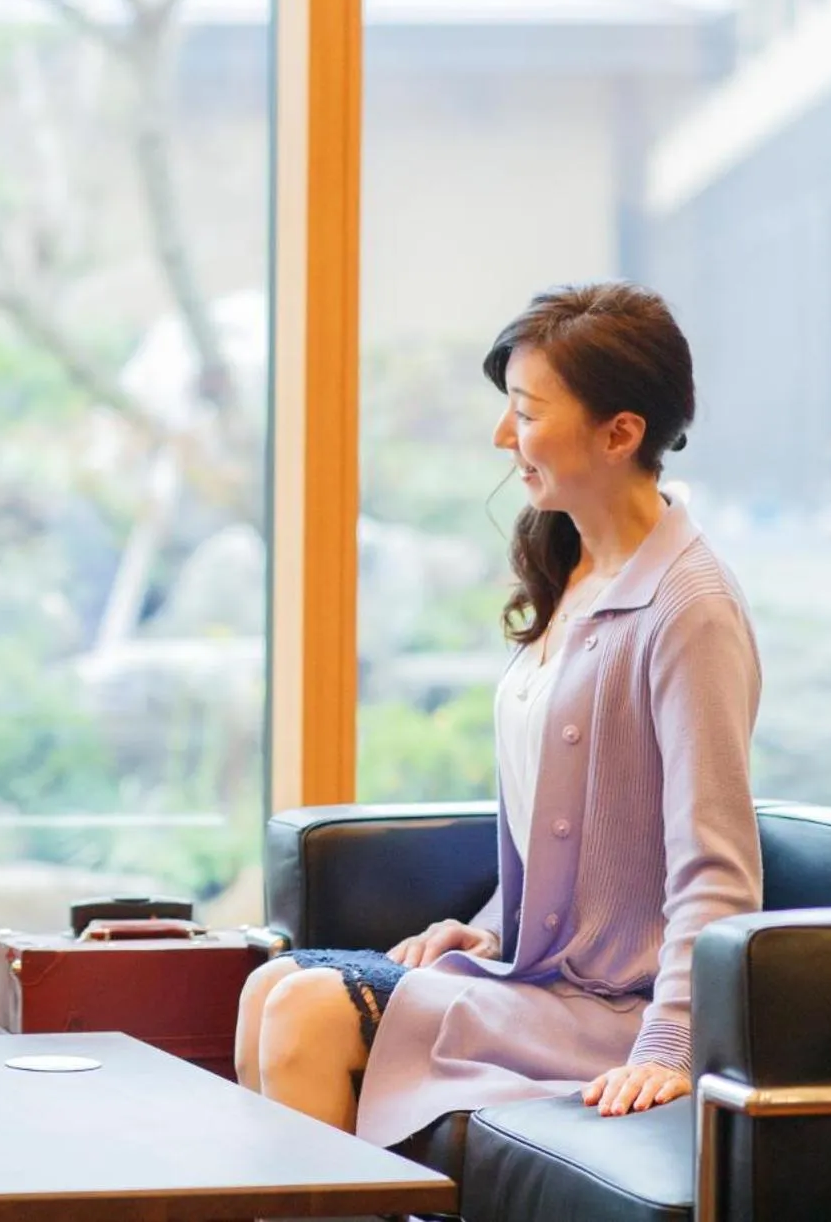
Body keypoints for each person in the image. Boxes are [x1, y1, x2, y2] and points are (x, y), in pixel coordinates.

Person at [234, 280, 762, 1145]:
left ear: (619, 432)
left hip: (616, 1009)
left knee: (307, 1013)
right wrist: (483, 931)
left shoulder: (688, 609)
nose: (500, 435)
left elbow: (717, 869)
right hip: (537, 980)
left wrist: (671, 1045)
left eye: (524, 410)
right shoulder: (578, 571)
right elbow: (555, 831)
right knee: (271, 986)